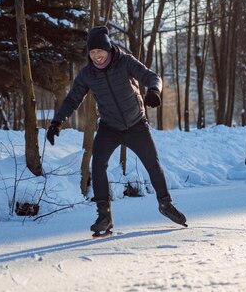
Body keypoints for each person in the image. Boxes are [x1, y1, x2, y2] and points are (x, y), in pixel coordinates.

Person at [46, 25, 187, 234]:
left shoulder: (125, 62)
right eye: (92, 52)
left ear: (108, 48)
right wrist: (56, 122)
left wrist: (154, 91)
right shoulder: (87, 74)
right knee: (98, 166)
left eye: (99, 51)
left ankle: (165, 204)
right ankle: (104, 216)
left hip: (136, 124)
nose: (96, 56)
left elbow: (152, 76)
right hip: (109, 127)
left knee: (153, 164)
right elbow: (72, 99)